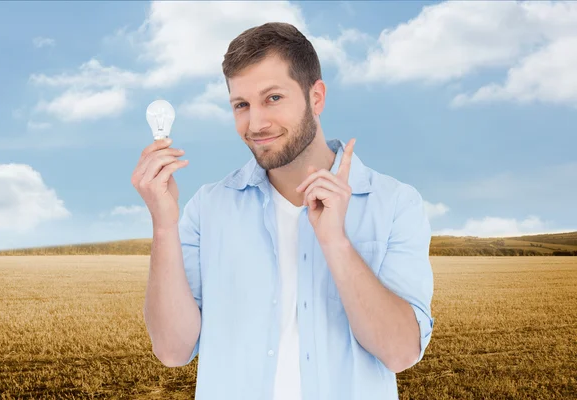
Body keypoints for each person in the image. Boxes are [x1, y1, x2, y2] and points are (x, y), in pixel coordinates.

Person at [132, 22, 434, 400]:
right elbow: (173, 350)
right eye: (241, 105)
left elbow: (401, 352)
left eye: (273, 98)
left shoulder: (394, 203)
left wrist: (336, 243)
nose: (256, 123)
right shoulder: (208, 208)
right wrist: (163, 223)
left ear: (317, 96)